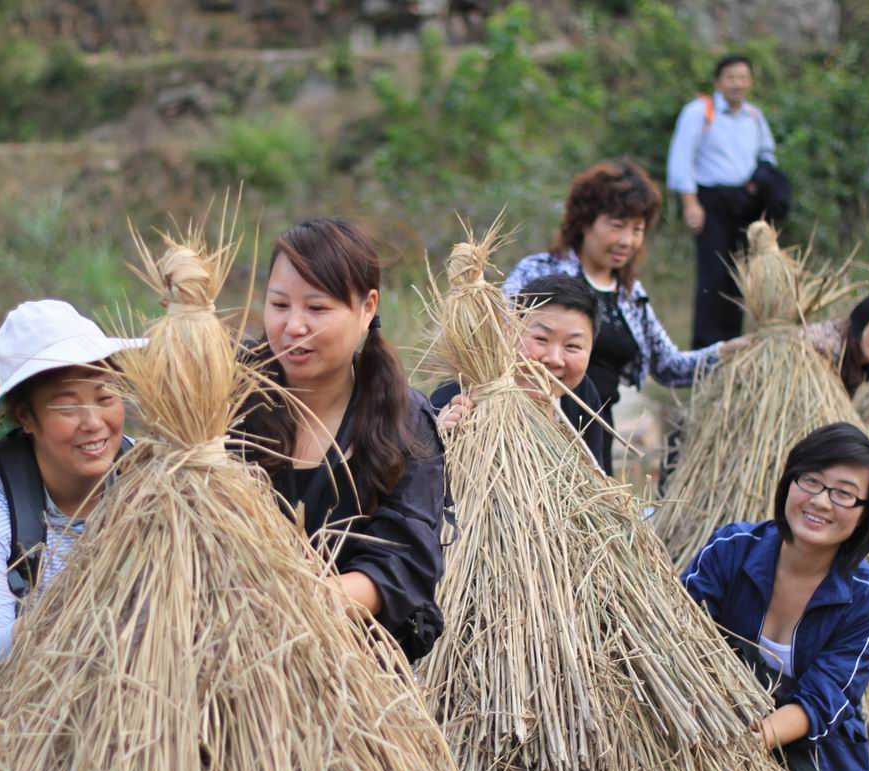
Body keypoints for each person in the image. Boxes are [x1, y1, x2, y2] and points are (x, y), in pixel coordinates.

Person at [0, 300, 144, 767]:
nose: (93, 422)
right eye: (66, 405)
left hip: (98, 719)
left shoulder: (146, 478)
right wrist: (75, 611)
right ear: (26, 417)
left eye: (105, 396)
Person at [235, 217, 446, 662]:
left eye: (317, 308)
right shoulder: (229, 400)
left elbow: (405, 563)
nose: (293, 326)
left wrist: (297, 603)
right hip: (232, 654)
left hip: (350, 672)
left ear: (367, 308)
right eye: (278, 305)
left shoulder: (403, 419)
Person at [681, 422, 869, 771]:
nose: (820, 501)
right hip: (708, 711)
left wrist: (742, 747)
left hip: (803, 744)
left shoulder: (866, 599)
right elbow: (680, 639)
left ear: (866, 513)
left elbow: (822, 700)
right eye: (810, 480)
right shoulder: (731, 547)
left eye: (844, 493)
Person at [503, 158, 747, 475]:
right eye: (617, 226)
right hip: (532, 433)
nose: (626, 241)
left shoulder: (630, 295)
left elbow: (669, 367)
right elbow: (496, 334)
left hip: (595, 439)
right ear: (584, 222)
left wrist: (728, 352)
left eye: (637, 229)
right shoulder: (540, 271)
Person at [433, 273, 609, 473]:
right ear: (511, 331)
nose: (553, 358)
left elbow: (598, 482)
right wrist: (442, 436)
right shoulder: (464, 388)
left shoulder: (583, 397)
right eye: (542, 339)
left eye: (572, 346)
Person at [666, 54, 779, 349]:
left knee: (739, 277)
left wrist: (758, 182)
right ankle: (705, 350)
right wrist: (690, 203)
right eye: (731, 77)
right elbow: (681, 159)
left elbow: (767, 154)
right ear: (718, 81)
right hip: (710, 201)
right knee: (711, 277)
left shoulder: (754, 116)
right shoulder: (699, 112)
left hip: (745, 204)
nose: (737, 83)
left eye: (743, 77)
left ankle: (733, 346)